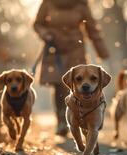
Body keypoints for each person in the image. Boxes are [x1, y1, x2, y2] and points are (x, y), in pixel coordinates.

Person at [33, 0, 109, 136]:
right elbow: (38, 24)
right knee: (59, 84)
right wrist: (45, 33)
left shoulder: (81, 5)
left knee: (80, 85)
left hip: (76, 49)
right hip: (54, 49)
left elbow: (92, 28)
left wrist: (102, 51)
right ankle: (62, 120)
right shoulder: (48, 3)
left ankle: (83, 118)